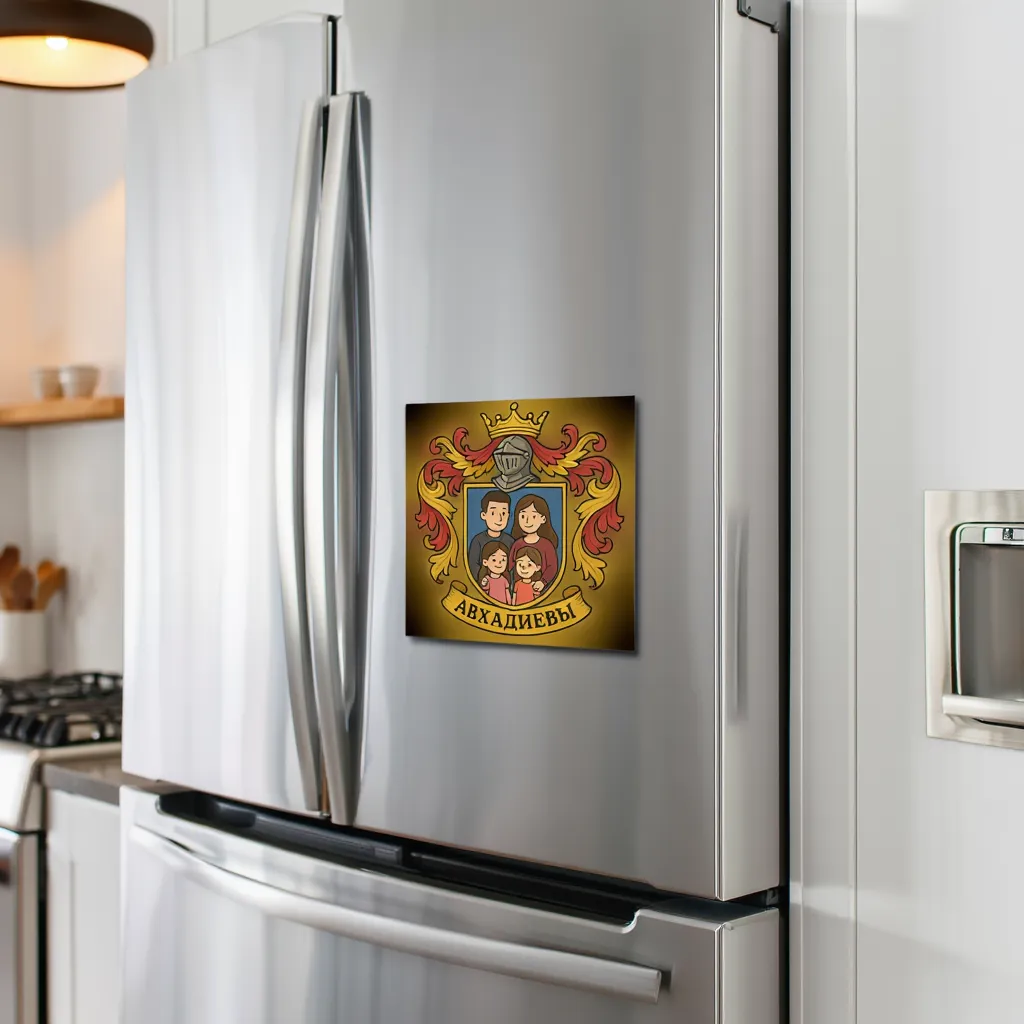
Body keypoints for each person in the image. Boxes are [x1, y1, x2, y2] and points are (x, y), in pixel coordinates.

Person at [508, 493, 558, 593]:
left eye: (533, 516)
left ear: (543, 519)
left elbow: (552, 567)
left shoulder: (547, 545)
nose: (527, 521)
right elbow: (510, 567)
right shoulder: (517, 544)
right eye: (523, 516)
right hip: (519, 590)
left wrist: (543, 582)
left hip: (539, 590)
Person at [467, 490, 514, 580]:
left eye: (503, 513)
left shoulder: (510, 541)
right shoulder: (478, 540)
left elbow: (513, 567)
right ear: (484, 515)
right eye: (493, 513)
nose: (499, 518)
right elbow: (473, 565)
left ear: (508, 516)